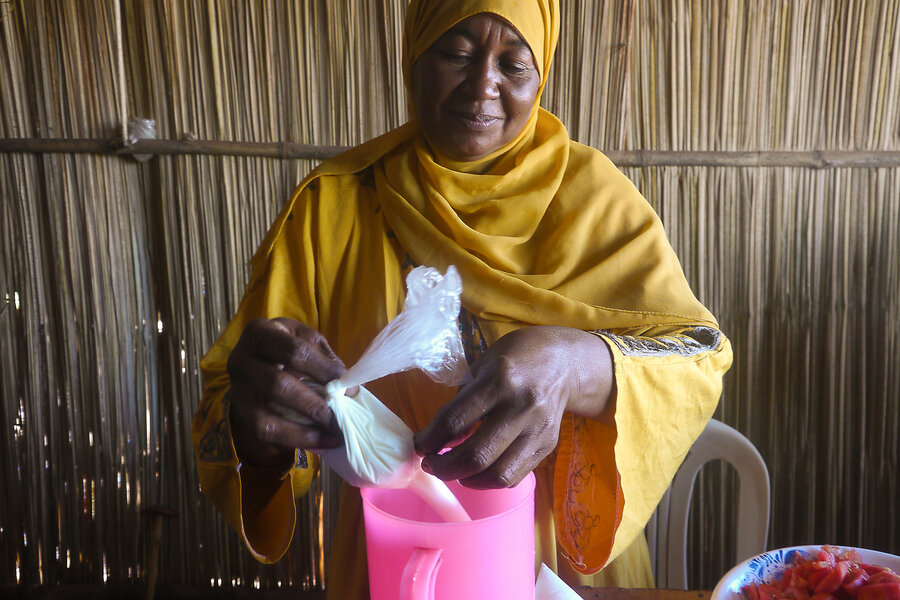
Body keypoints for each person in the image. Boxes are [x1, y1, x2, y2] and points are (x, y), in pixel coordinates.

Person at [192, 0, 733, 597]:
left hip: (559, 573)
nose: (483, 88)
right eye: (456, 54)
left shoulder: (594, 201)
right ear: (413, 57)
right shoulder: (335, 206)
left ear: (542, 71)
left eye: (514, 65)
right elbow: (235, 403)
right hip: (399, 563)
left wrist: (574, 365)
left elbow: (697, 355)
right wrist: (258, 425)